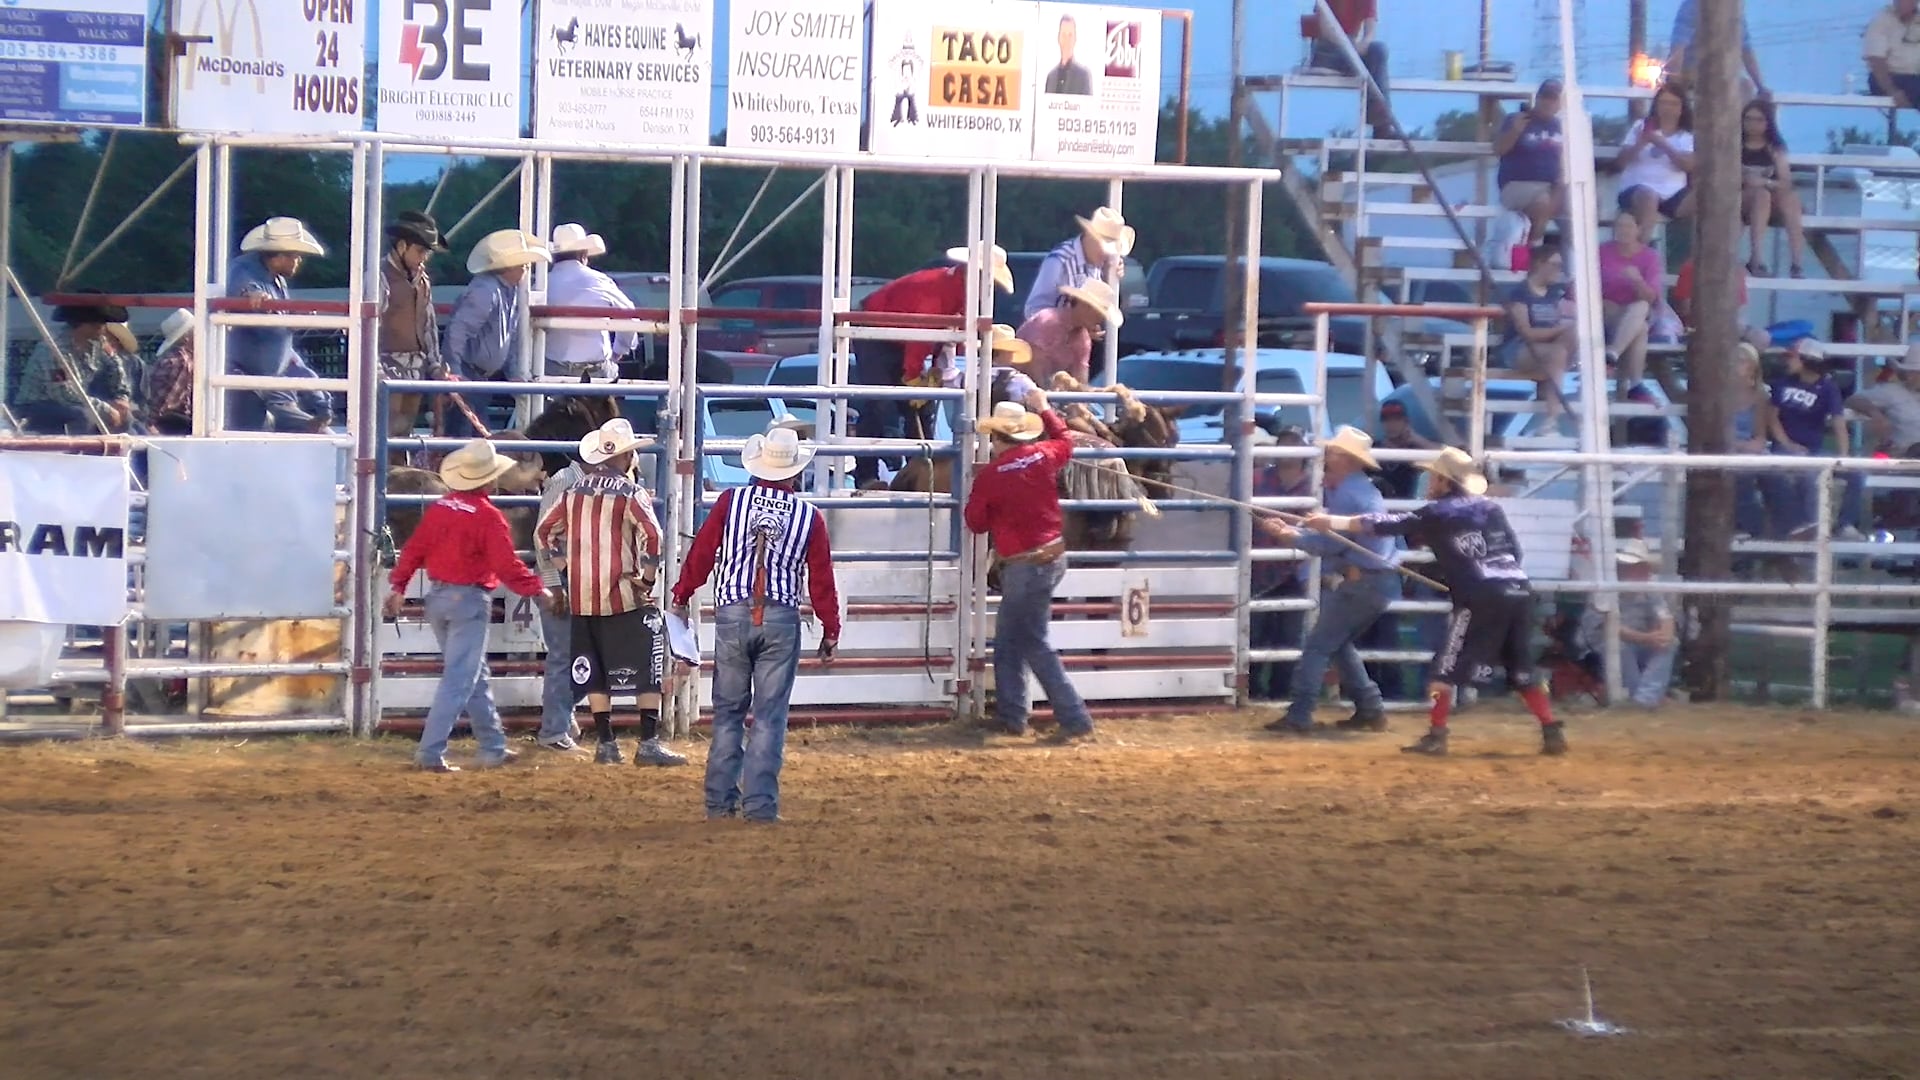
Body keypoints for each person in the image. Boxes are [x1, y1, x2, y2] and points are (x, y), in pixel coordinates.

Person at [1306, 446, 1568, 757]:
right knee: (1522, 668)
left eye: (1433, 478)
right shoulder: (1490, 509)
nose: (1429, 483)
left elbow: (1386, 524)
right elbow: (1514, 552)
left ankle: (1437, 733)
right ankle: (1550, 729)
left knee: (1443, 668)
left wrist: (1331, 522)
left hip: (1481, 595)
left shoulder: (1437, 513)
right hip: (1519, 589)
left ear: (1445, 482)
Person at [671, 426, 842, 822]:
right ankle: (760, 806)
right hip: (780, 617)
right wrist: (830, 629)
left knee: (729, 711)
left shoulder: (731, 501)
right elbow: (821, 578)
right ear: (795, 471)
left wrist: (681, 595)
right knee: (769, 716)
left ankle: (719, 803)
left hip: (733, 611)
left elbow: (702, 553)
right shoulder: (808, 516)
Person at [384, 439, 554, 773]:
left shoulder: (440, 508)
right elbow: (507, 566)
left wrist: (399, 586)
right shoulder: (489, 518)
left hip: (439, 599)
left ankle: (493, 746)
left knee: (472, 674)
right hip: (468, 600)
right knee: (461, 678)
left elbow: (414, 550)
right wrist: (538, 590)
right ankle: (430, 751)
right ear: (488, 479)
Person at [535, 417, 683, 767]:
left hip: (584, 597)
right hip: (623, 595)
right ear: (624, 457)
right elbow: (654, 537)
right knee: (648, 663)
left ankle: (606, 743)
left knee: (594, 667)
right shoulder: (631, 493)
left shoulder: (572, 492)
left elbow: (544, 533)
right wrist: (646, 579)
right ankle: (647, 743)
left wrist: (564, 568)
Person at [963, 389, 1095, 742]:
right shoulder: (1044, 455)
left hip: (1024, 563)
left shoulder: (991, 476)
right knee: (1011, 639)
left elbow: (975, 522)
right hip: (1052, 555)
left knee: (1031, 640)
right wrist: (1045, 408)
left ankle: (1074, 717)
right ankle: (1012, 715)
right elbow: (1066, 440)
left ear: (996, 437)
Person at [1257, 427, 1402, 736]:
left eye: (1333, 452)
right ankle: (1370, 708)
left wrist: (1290, 536)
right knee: (1336, 643)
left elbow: (1331, 544)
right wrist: (1299, 533)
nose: (1327, 456)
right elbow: (1337, 540)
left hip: (1364, 581)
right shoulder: (1358, 491)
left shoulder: (1349, 494)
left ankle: (1300, 714)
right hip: (1375, 580)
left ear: (1344, 459)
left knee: (1318, 646)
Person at [854, 244, 1014, 481]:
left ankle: (920, 472)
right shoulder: (943, 290)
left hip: (892, 332)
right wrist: (914, 376)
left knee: (917, 406)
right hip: (873, 330)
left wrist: (932, 370)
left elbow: (937, 333)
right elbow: (923, 331)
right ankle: (870, 475)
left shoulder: (957, 291)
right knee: (878, 402)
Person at [446, 229, 551, 437]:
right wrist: (455, 371)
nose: (525, 268)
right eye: (522, 264)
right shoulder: (487, 291)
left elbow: (507, 338)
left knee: (471, 436)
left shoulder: (504, 291)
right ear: (509, 266)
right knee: (467, 437)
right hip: (470, 375)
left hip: (478, 377)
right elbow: (458, 330)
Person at [226, 217, 327, 432]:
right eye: (296, 256)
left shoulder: (276, 281)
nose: (299, 261)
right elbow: (240, 285)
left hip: (269, 381)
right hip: (247, 380)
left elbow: (285, 349)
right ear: (280, 256)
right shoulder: (245, 269)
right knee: (254, 436)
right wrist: (251, 293)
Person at [531, 418, 587, 751]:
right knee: (565, 655)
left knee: (578, 654)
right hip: (564, 578)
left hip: (581, 578)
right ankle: (554, 729)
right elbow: (543, 534)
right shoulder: (565, 481)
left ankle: (561, 719)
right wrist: (554, 584)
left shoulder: (579, 481)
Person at [1249, 425, 1313, 700]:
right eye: (1285, 443)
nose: (1288, 449)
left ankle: (1280, 690)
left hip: (1294, 570)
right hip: (1262, 566)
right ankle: (1254, 687)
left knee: (1289, 632)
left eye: (1293, 443)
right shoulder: (1257, 478)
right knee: (1257, 630)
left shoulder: (1313, 483)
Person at [379, 210, 448, 461]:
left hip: (414, 364)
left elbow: (428, 324)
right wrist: (376, 367)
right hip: (387, 363)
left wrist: (435, 363)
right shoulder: (380, 277)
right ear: (401, 246)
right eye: (420, 251)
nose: (424, 258)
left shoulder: (422, 280)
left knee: (403, 431)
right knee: (385, 431)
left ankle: (396, 491)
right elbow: (370, 325)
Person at [13, 292, 133, 435]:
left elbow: (116, 370)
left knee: (126, 417)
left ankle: (116, 453)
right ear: (81, 324)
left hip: (72, 403)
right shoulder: (53, 349)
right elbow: (64, 394)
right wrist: (106, 408)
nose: (103, 328)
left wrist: (121, 399)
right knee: (82, 416)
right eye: (97, 324)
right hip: (35, 407)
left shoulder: (97, 345)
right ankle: (77, 453)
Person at [1766, 338, 1850, 539]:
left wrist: (1844, 456)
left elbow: (1839, 424)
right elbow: (1772, 418)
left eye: (1792, 358)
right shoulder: (1782, 384)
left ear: (1806, 360)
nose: (1788, 362)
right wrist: (1788, 444)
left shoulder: (1828, 388)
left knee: (1858, 475)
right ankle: (1810, 525)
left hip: (1813, 449)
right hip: (1784, 448)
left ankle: (1845, 525)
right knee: (1811, 475)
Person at [1579, 539, 1677, 709]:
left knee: (1670, 643)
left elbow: (1665, 617)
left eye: (1640, 567)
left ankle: (1644, 699)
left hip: (1640, 642)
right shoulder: (1604, 589)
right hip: (1600, 643)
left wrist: (1664, 635)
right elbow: (1608, 627)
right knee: (1619, 647)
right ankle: (1638, 698)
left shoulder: (1650, 590)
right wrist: (1646, 638)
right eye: (1631, 567)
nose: (1636, 572)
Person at [1494, 242, 1575, 431]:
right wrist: (1559, 331)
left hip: (1549, 348)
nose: (1559, 270)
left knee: (1575, 334)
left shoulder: (1554, 294)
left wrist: (1565, 330)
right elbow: (1527, 333)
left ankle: (1551, 384)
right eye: (1555, 264)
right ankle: (1552, 418)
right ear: (1539, 264)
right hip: (1520, 348)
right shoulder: (1520, 293)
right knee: (1558, 353)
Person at [544, 222, 637, 380]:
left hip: (552, 369)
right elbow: (629, 314)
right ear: (583, 254)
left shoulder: (543, 284)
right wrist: (619, 350)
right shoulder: (599, 280)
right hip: (596, 369)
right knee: (611, 378)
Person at [1025, 206, 1134, 322]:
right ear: (1090, 236)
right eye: (1106, 248)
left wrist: (1109, 280)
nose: (1109, 255)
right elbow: (1034, 311)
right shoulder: (1059, 261)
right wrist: (1071, 324)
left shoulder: (1102, 264)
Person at [1493, 79, 1565, 247]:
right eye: (1544, 97)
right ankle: (1534, 251)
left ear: (1559, 103)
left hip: (1552, 186)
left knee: (1584, 203)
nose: (1548, 102)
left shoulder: (1561, 126)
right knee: (1543, 204)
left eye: (1553, 98)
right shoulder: (1515, 120)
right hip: (1517, 186)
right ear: (1537, 99)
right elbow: (1498, 150)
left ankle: (1572, 260)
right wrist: (1515, 131)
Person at [1616, 83, 1695, 232]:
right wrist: (1641, 142)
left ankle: (1699, 253)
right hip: (1637, 191)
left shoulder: (1687, 135)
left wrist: (1663, 144)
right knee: (1649, 196)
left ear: (1681, 108)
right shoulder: (1640, 126)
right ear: (1656, 105)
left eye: (1674, 104)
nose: (1668, 108)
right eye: (1663, 103)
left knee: (1709, 195)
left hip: (1674, 195)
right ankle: (1643, 250)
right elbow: (1620, 163)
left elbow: (1687, 166)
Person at [1739, 102, 1806, 279]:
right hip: (1741, 198)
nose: (1753, 124)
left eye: (1759, 120)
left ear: (1768, 122)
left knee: (1790, 199)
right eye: (1748, 119)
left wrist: (1764, 181)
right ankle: (1756, 259)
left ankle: (1797, 263)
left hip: (1770, 197)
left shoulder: (1774, 148)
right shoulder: (1735, 145)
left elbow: (1785, 182)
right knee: (1761, 196)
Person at [1015, 276, 1123, 387]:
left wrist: (1080, 400)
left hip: (1046, 395)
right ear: (1085, 306)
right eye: (1099, 313)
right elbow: (1035, 369)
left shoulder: (1083, 338)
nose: (1101, 319)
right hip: (1015, 390)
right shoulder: (1047, 321)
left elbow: (1080, 379)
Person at [1306, 0, 1392, 136]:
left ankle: (1380, 123)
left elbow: (1370, 31)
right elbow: (1325, 29)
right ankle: (1383, 125)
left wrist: (1363, 44)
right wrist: (1350, 47)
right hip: (1328, 49)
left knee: (1378, 51)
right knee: (1373, 68)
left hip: (1351, 47)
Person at [1597, 211, 1662, 387]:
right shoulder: (1601, 252)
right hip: (1607, 312)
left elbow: (1651, 298)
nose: (1623, 230)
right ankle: (1635, 385)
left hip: (1636, 311)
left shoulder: (1650, 257)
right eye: (1619, 226)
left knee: (1640, 310)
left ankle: (1612, 354)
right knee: (1639, 328)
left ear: (1638, 229)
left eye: (1628, 226)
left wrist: (1637, 281)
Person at [1665, 0, 1767, 98]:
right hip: (1692, 71)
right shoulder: (1692, 6)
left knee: (1745, 87)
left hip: (1722, 74)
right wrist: (1674, 85)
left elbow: (1746, 51)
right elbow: (1677, 50)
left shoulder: (1735, 13)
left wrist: (1761, 87)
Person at [1730, 342, 1774, 541]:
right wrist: (1740, 446)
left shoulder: (1760, 395)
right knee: (1742, 476)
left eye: (1742, 361)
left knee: (1777, 476)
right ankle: (1758, 533)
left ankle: (1789, 529)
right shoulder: (1720, 393)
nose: (1737, 364)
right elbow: (1718, 433)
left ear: (1753, 366)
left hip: (1749, 448)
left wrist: (1753, 446)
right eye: (1735, 360)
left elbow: (1760, 435)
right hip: (1727, 449)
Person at [143, 309, 197, 436]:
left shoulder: (175, 358)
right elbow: (164, 401)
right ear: (187, 337)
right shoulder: (180, 361)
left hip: (169, 421)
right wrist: (150, 424)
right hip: (171, 424)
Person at [1375, 399, 1439, 499]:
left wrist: (1416, 439)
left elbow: (1445, 457)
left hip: (1407, 506)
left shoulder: (1415, 449)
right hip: (1378, 507)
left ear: (1406, 422)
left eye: (1397, 419)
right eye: (1387, 419)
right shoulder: (1375, 448)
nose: (1392, 424)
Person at [1865, 0, 1920, 117]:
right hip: (1886, 78)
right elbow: (1876, 60)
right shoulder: (1882, 21)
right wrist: (1892, 91)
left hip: (1914, 78)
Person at [1043, 12, 1092, 95]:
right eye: (1063, 35)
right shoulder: (1051, 77)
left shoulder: (1083, 75)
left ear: (1075, 39)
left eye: (1070, 35)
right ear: (1058, 38)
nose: (1067, 40)